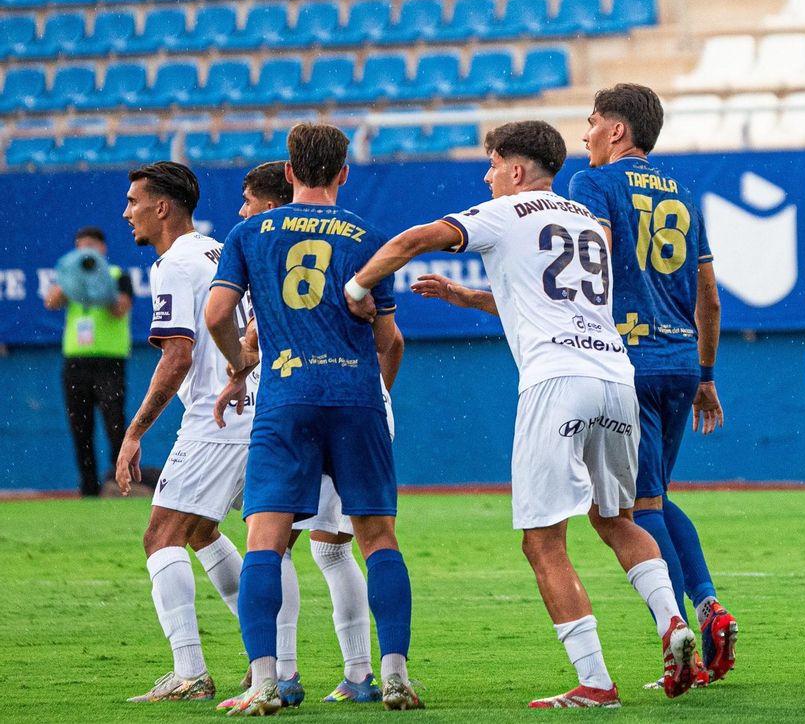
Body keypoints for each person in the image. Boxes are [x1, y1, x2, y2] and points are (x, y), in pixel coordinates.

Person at [343, 119, 699, 709]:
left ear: (515, 168)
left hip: (556, 383)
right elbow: (551, 299)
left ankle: (595, 682)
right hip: (616, 377)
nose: (487, 178)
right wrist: (467, 297)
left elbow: (412, 241)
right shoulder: (586, 219)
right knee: (617, 519)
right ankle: (672, 621)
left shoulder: (504, 212)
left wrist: (358, 287)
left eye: (491, 166)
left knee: (542, 541)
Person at [203, 123, 418, 715]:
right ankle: (393, 674)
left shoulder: (249, 233)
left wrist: (239, 364)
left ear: (289, 171)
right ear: (344, 172)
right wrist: (371, 395)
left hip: (286, 398)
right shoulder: (367, 237)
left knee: (266, 541)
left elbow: (217, 314)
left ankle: (266, 682)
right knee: (377, 539)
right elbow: (391, 341)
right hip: (355, 398)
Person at [568, 83, 736, 684]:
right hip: (681, 361)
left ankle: (682, 630)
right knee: (655, 494)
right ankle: (709, 606)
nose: (585, 134)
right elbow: (709, 298)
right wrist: (706, 374)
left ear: (617, 130)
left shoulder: (592, 184)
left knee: (635, 507)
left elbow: (594, 266)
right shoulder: (684, 194)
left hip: (625, 360)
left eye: (592, 122)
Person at [113, 162, 253, 703]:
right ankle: (267, 655)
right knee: (202, 531)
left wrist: (134, 432)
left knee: (160, 536)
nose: (127, 213)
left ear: (162, 207)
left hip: (215, 421)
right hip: (257, 409)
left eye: (134, 202)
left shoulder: (174, 264)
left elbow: (177, 355)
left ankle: (190, 672)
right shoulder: (220, 250)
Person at [45, 225, 134, 496]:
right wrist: (73, 279)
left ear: (102, 248)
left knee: (114, 424)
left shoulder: (117, 275)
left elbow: (120, 309)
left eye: (90, 247)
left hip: (109, 362)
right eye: (80, 248)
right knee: (80, 428)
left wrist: (98, 281)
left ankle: (119, 483)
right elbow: (51, 302)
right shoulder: (72, 277)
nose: (85, 253)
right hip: (76, 362)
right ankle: (89, 488)